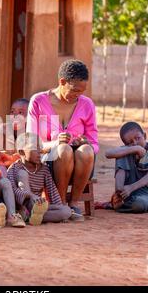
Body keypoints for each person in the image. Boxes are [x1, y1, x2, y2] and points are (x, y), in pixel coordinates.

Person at [26, 59, 98, 214]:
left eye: (81, 92)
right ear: (62, 81)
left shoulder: (87, 104)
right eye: (74, 91)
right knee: (64, 149)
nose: (78, 95)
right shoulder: (38, 101)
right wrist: (54, 143)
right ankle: (61, 203)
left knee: (86, 150)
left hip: (82, 164)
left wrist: (86, 142)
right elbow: (32, 143)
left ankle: (74, 203)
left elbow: (94, 143)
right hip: (48, 161)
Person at [7, 132, 82, 225]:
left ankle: (33, 217)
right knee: (23, 174)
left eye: (40, 148)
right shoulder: (14, 168)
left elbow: (52, 190)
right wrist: (31, 196)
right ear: (22, 152)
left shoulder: (44, 169)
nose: (40, 152)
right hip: (22, 206)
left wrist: (59, 207)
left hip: (39, 205)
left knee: (66, 211)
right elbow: (12, 191)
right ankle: (27, 213)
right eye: (35, 148)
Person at [102, 122, 148, 213]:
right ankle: (118, 195)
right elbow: (108, 153)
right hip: (128, 189)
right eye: (130, 143)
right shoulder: (130, 149)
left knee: (139, 204)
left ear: (144, 135)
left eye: (137, 138)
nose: (135, 143)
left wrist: (131, 188)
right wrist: (135, 148)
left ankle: (116, 205)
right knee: (121, 153)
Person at [0, 98, 30, 169]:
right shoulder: (3, 129)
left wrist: (12, 158)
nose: (15, 116)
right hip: (4, 172)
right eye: (12, 111)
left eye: (20, 112)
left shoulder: (33, 133)